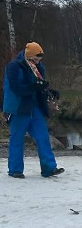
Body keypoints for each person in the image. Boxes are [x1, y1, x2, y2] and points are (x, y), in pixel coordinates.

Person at [2, 41, 63, 179]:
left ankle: (49, 168)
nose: (37, 62)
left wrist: (50, 91)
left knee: (43, 137)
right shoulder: (13, 67)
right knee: (17, 139)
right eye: (35, 59)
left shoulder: (39, 67)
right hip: (18, 107)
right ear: (28, 56)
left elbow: (40, 85)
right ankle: (15, 170)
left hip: (34, 107)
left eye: (39, 59)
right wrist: (34, 87)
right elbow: (16, 88)